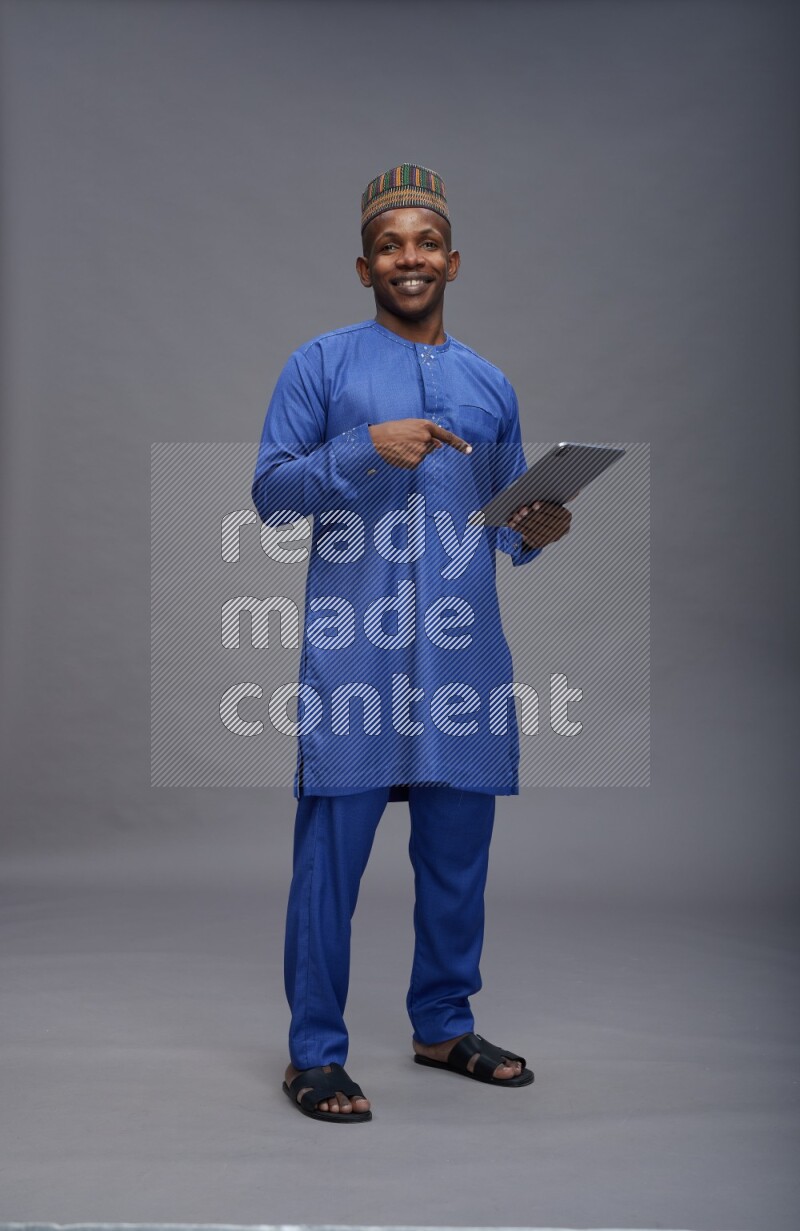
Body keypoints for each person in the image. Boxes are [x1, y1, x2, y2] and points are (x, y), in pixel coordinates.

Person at [251, 164, 571, 1123]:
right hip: (355, 651)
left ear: (454, 261)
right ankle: (313, 1053)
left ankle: (442, 1024)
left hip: (463, 655)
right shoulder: (322, 365)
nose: (410, 258)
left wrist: (536, 530)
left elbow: (508, 519)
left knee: (457, 856)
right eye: (391, 245)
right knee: (330, 861)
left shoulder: (489, 382)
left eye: (425, 242)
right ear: (364, 266)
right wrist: (361, 450)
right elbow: (270, 492)